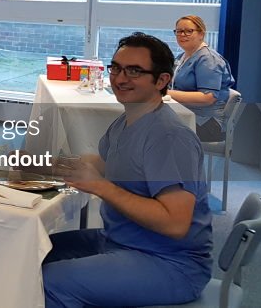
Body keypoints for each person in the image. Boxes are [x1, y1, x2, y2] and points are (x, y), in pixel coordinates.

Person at [42, 32, 212, 308]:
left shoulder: (168, 137)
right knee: (30, 253)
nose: (120, 79)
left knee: (50, 281)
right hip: (119, 241)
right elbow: (101, 164)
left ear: (161, 80)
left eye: (134, 71)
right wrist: (39, 163)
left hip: (169, 263)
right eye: (117, 68)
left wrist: (100, 186)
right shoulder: (127, 121)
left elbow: (176, 223)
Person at [166, 15, 235, 141]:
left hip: (208, 124)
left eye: (189, 31)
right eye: (179, 31)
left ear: (201, 34)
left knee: (152, 129)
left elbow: (208, 97)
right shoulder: (183, 56)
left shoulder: (208, 59)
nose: (182, 34)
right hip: (187, 115)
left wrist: (166, 93)